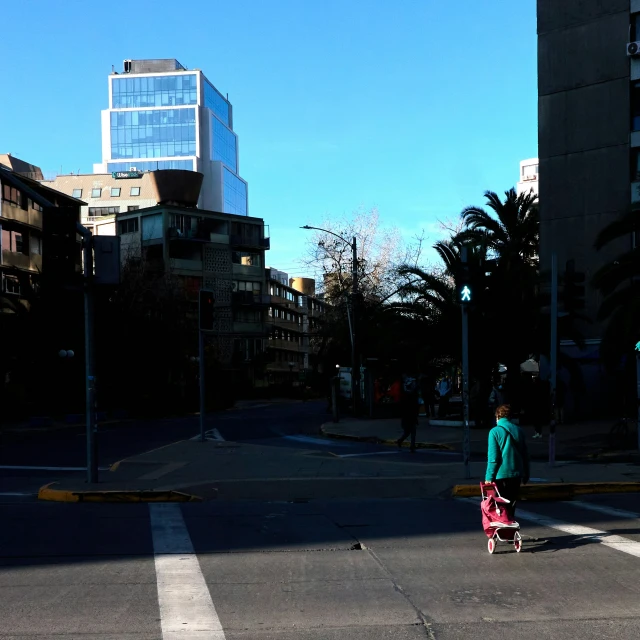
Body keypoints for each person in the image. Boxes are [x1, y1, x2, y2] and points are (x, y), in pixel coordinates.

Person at [485, 404, 530, 517]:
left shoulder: (494, 432)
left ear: (497, 417)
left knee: (500, 506)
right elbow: (525, 454)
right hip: (516, 473)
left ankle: (503, 530)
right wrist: (526, 473)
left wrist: (489, 477)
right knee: (511, 504)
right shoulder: (519, 430)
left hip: (501, 474)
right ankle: (510, 530)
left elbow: (493, 458)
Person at [397, 373, 419, 452]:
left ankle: (405, 442)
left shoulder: (405, 394)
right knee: (411, 431)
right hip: (410, 415)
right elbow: (415, 406)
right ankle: (410, 445)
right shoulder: (412, 395)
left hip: (407, 415)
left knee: (409, 431)